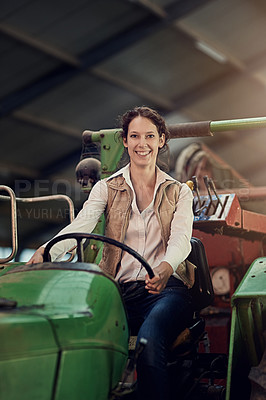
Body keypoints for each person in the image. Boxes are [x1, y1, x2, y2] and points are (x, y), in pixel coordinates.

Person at [27, 106, 195, 400]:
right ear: (126, 141)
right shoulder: (106, 188)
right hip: (119, 292)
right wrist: (45, 251)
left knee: (148, 339)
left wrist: (167, 267)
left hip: (166, 290)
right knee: (78, 336)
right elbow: (82, 224)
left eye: (149, 136)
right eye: (134, 136)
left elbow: (182, 238)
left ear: (161, 140)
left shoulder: (179, 191)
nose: (142, 143)